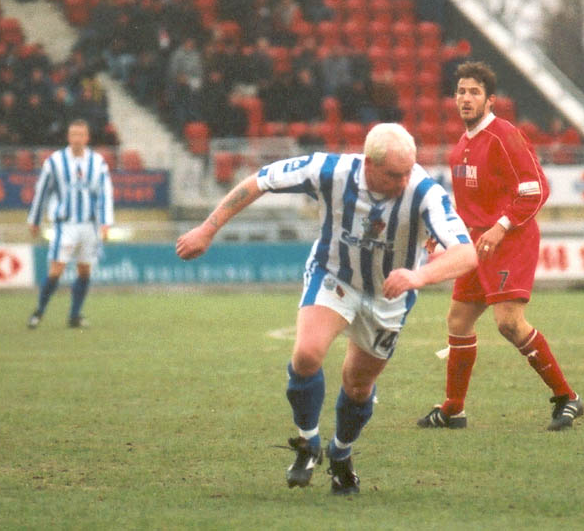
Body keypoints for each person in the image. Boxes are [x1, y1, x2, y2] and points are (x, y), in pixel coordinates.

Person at [175, 123, 477, 494]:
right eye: (394, 174)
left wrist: (420, 277)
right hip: (335, 277)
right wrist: (207, 229)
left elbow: (467, 253)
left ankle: (341, 454)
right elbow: (260, 181)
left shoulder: (424, 191)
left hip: (389, 295)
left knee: (358, 385)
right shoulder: (330, 171)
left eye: (408, 171)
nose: (404, 180)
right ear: (369, 164)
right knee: (306, 355)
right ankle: (307, 442)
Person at [417, 61, 584, 432]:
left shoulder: (504, 135)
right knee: (458, 321)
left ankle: (567, 397)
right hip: (477, 243)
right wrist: (444, 230)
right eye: (461, 91)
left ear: (490, 101)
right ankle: (453, 409)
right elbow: (467, 207)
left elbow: (536, 189)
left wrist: (500, 226)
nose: (466, 98)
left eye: (474, 92)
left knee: (508, 323)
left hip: (511, 240)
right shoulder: (461, 144)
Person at [27, 119, 114, 329]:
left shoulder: (98, 162)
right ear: (68, 137)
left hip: (89, 225)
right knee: (56, 269)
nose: (77, 139)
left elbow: (105, 193)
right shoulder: (55, 162)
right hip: (65, 225)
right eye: (73, 134)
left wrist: (106, 222)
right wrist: (35, 219)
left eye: (80, 135)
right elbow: (42, 192)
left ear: (87, 137)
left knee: (84, 271)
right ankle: (39, 311)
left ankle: (74, 315)